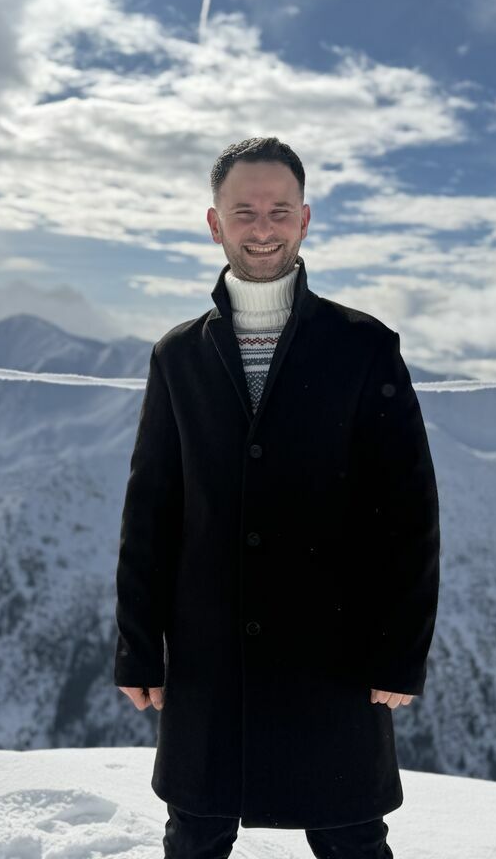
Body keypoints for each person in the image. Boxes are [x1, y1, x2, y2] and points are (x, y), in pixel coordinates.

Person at [113, 136, 441, 858]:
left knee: (351, 837)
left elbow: (408, 511)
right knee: (195, 834)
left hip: (335, 651)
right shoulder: (177, 356)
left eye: (279, 211)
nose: (262, 228)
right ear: (214, 223)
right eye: (244, 212)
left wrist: (400, 651)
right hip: (207, 656)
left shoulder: (365, 346)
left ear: (305, 219)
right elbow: (152, 510)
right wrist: (138, 646)